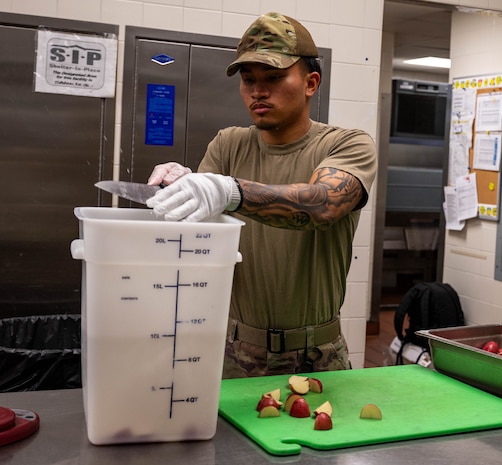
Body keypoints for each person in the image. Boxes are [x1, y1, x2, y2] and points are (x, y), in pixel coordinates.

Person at [145, 12, 377, 378]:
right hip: (235, 352)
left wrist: (230, 190)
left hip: (316, 357)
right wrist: (180, 188)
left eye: (274, 77)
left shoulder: (347, 144)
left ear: (311, 82)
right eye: (248, 80)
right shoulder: (228, 144)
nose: (257, 91)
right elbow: (200, 235)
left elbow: (322, 204)